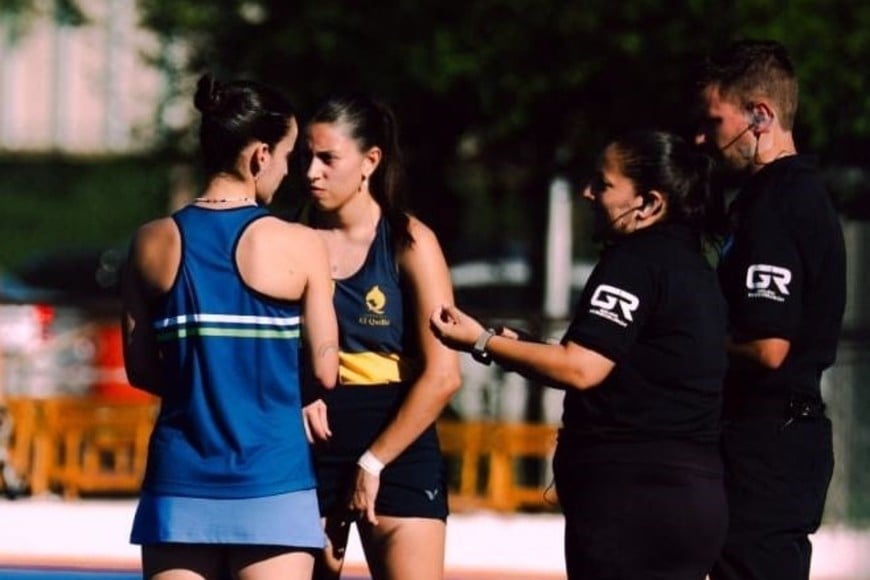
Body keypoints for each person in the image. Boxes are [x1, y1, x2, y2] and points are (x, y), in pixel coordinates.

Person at [430, 131, 730, 579]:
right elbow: (628, 366)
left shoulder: (634, 261)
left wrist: (482, 342)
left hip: (630, 500)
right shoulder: (695, 267)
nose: (588, 193)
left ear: (649, 204)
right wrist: (524, 346)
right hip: (694, 497)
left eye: (603, 185)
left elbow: (581, 367)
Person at [121, 74, 339, 580]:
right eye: (288, 157)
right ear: (260, 156)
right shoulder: (303, 245)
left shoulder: (149, 243)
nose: (291, 173)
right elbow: (326, 371)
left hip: (178, 483)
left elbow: (143, 371)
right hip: (274, 479)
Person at [694, 39, 847, 580]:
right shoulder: (772, 198)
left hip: (768, 445)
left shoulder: (779, 204)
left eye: (714, 121)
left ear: (761, 116)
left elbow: (768, 346)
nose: (702, 138)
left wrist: (688, 345)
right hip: (770, 439)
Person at [299, 93, 462, 580]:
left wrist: (374, 462)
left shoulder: (411, 242)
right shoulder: (289, 240)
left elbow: (444, 376)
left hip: (396, 443)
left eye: (328, 159)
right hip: (311, 448)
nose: (310, 172)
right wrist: (301, 391)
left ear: (371, 161)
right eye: (306, 157)